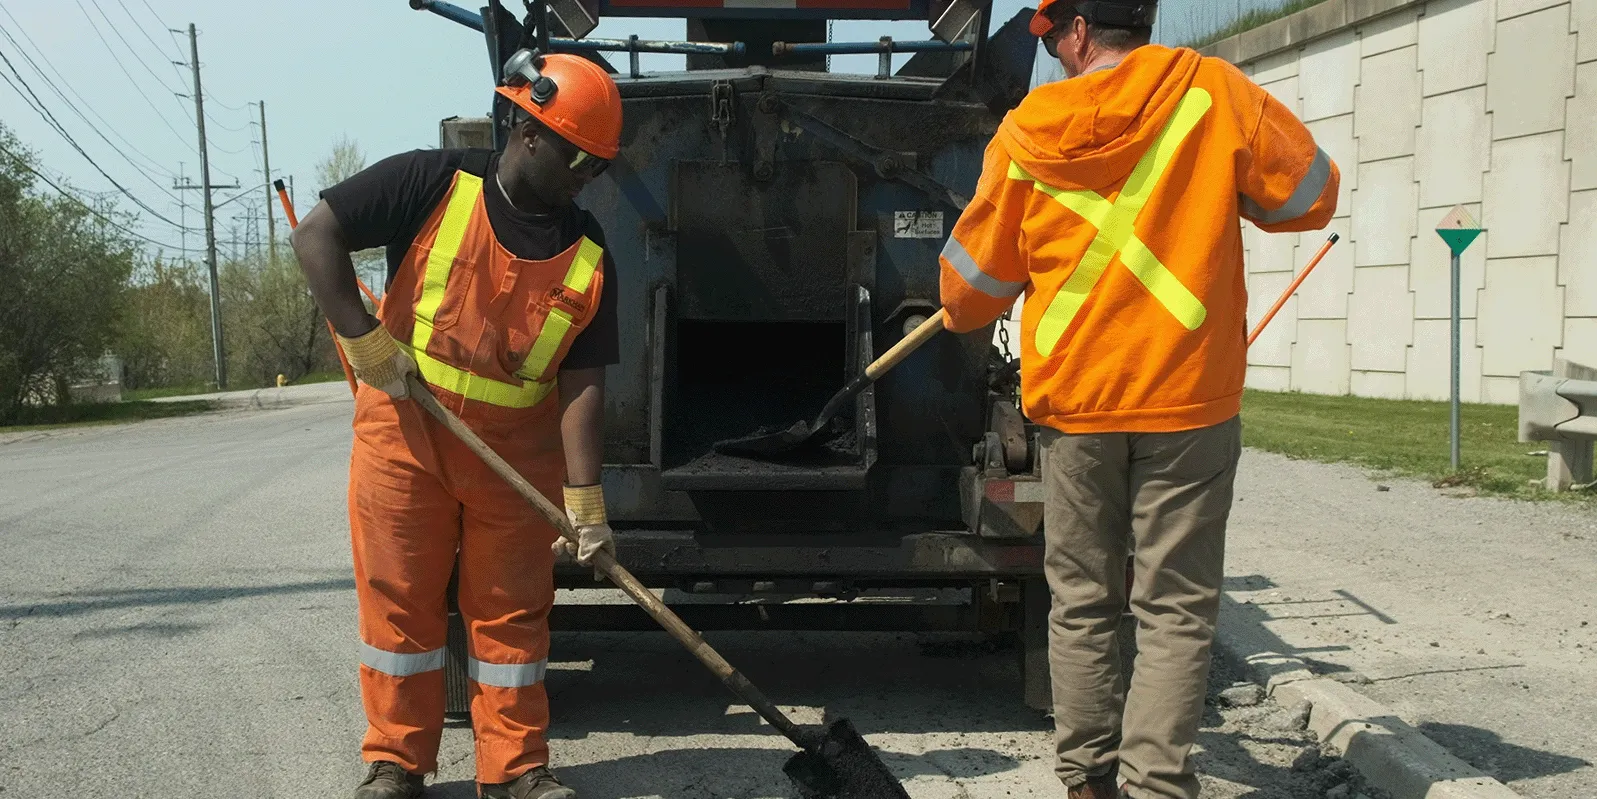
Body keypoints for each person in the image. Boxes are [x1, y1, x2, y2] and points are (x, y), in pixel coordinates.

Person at [937, 2, 1339, 797]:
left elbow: (969, 292)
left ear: (1081, 30)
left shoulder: (1025, 132)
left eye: (1051, 34)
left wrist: (998, 278)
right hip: (1189, 398)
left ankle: (1086, 782)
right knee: (1175, 609)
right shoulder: (1213, 94)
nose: (1050, 48)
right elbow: (1310, 196)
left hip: (1077, 405)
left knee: (1082, 601)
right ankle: (1156, 785)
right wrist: (1229, 196)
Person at [290, 50, 625, 799]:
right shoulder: (432, 181)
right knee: (399, 603)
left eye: (600, 165)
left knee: (511, 619)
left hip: (515, 460)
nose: (587, 176)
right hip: (404, 435)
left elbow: (583, 383)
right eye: (579, 157)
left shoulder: (591, 254)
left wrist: (587, 502)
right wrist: (362, 335)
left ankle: (513, 769)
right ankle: (395, 763)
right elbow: (315, 235)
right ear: (530, 132)